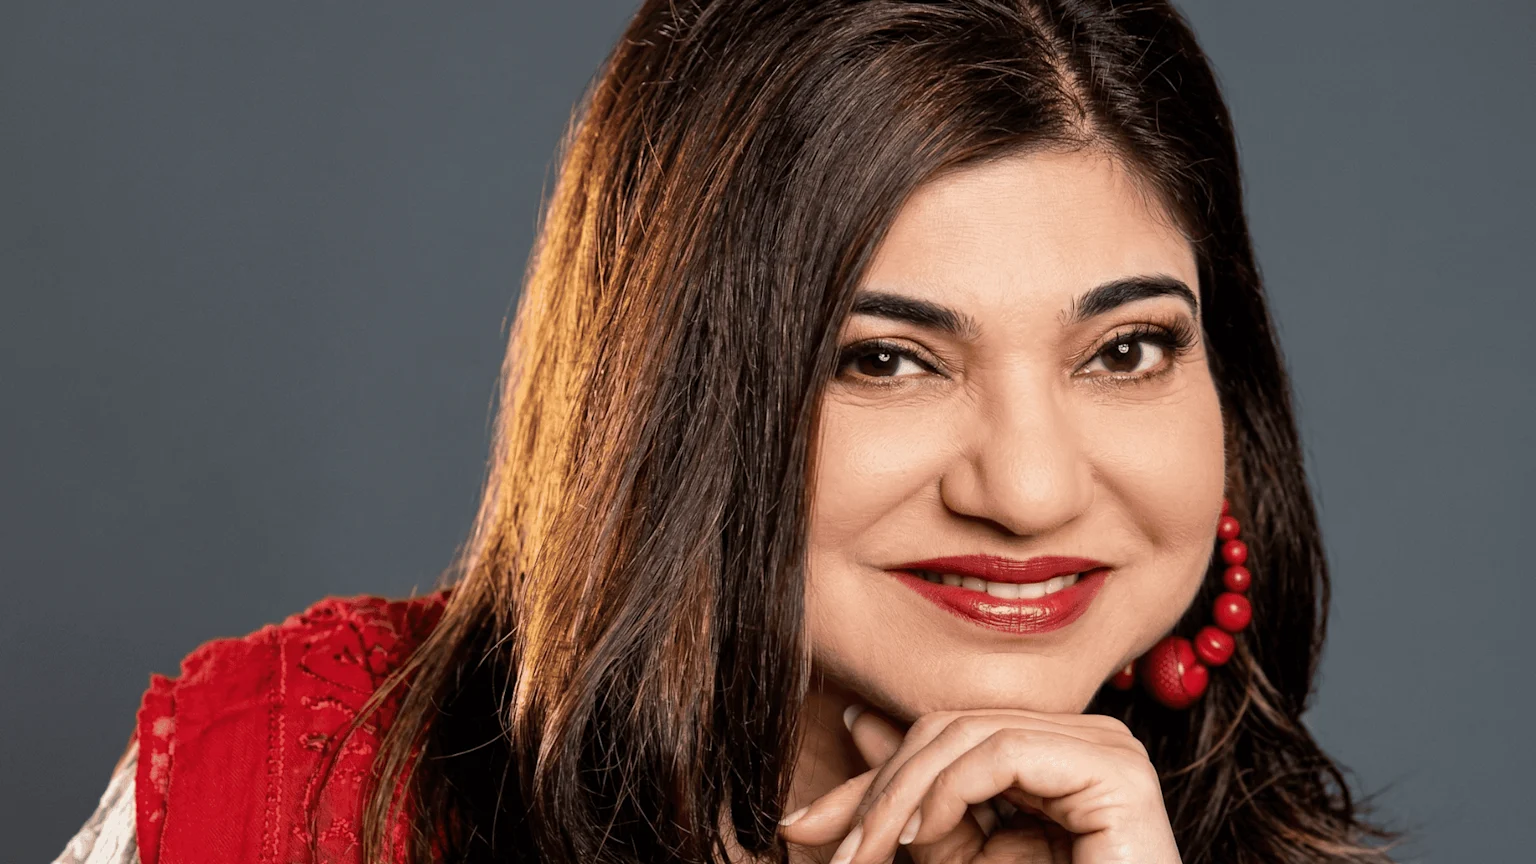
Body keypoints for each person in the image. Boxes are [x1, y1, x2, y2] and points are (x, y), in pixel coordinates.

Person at [54, 1, 1398, 862]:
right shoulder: (285, 782)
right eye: (883, 359)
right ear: (675, 401)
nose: (1033, 488)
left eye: (1126, 350)